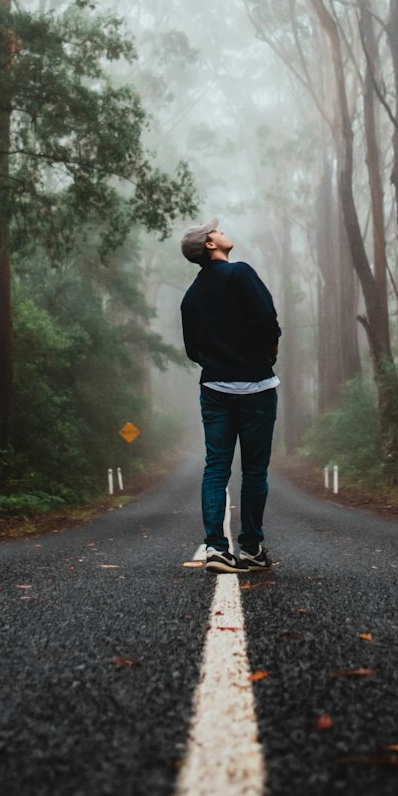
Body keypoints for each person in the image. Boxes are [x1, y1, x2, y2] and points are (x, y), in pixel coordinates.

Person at [180, 218, 281, 574]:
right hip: (256, 387)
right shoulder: (241, 273)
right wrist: (268, 349)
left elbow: (193, 350)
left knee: (216, 467)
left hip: (215, 390)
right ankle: (251, 549)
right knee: (254, 470)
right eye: (215, 231)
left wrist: (217, 361)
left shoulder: (191, 296)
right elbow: (267, 318)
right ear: (210, 245)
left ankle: (216, 549)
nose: (221, 232)